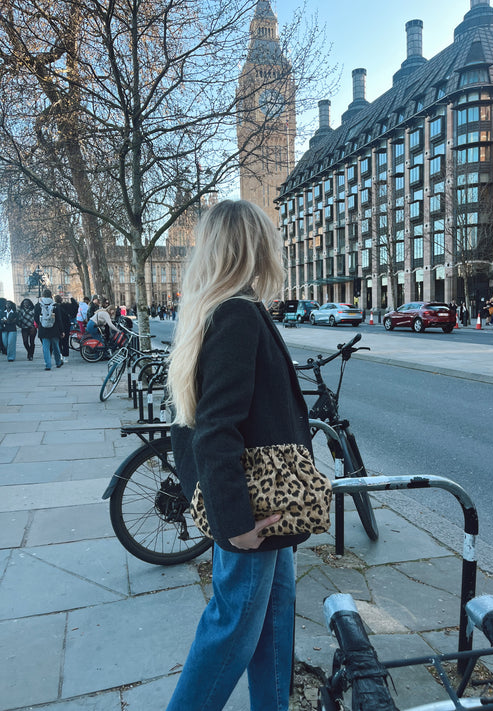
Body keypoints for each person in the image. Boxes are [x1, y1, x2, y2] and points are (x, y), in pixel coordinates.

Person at [166, 200, 312, 711]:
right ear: (252, 247)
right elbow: (215, 429)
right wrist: (235, 524)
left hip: (259, 501)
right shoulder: (236, 315)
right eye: (269, 239)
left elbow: (199, 422)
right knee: (232, 628)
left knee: (273, 619)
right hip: (252, 507)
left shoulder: (218, 310)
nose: (276, 248)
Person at [34, 289, 66, 370]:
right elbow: (59, 319)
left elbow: (36, 318)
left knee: (46, 348)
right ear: (51, 295)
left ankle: (48, 365)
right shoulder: (55, 305)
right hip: (54, 329)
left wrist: (41, 324)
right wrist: (62, 330)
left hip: (43, 329)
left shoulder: (38, 305)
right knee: (56, 347)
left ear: (43, 295)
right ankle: (58, 362)